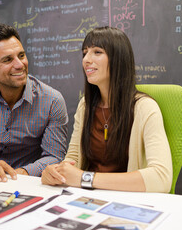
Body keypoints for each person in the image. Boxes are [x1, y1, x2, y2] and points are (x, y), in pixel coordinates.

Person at [41, 26, 172, 192]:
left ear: (118, 58)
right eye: (85, 52)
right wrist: (56, 173)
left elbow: (161, 178)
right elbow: (72, 159)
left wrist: (85, 178)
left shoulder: (144, 108)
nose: (86, 59)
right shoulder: (85, 105)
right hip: (88, 199)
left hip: (126, 203)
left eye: (97, 52)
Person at [0, 23, 68, 182]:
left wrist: (18, 174)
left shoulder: (52, 101)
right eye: (8, 60)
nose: (19, 65)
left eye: (21, 56)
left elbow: (54, 156)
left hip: (28, 185)